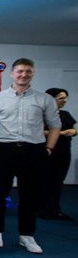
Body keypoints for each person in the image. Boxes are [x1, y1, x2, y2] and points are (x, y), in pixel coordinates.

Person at [0, 58, 60, 253]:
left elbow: (55, 126)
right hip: (3, 150)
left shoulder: (45, 99)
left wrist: (49, 148)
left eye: (28, 71)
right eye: (19, 71)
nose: (23, 75)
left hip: (34, 151)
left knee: (30, 195)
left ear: (33, 73)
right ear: (12, 73)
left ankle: (26, 235)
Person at [40, 88, 76, 221]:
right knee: (44, 180)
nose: (64, 101)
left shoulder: (65, 114)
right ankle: (41, 208)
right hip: (47, 151)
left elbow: (73, 129)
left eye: (65, 98)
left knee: (58, 180)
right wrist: (60, 133)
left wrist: (70, 132)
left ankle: (55, 208)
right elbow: (38, 131)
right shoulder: (41, 114)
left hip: (64, 151)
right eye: (61, 98)